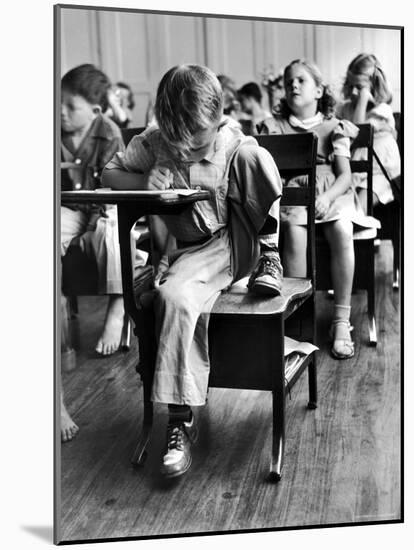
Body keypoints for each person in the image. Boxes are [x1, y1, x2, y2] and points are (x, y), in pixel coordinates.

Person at [103, 64, 283, 478]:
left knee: (256, 154)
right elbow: (108, 173)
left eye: (199, 144)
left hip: (233, 240)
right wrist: (144, 180)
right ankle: (180, 418)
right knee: (173, 297)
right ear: (164, 126)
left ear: (218, 120)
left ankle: (270, 254)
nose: (189, 153)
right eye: (179, 145)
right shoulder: (153, 141)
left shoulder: (231, 142)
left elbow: (260, 178)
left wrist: (263, 243)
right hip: (186, 251)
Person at [259, 59, 377, 361]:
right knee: (294, 234)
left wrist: (328, 198)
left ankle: (340, 320)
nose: (293, 85)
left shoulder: (333, 127)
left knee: (341, 229)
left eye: (301, 80)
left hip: (331, 192)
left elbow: (345, 176)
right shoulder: (274, 127)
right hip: (294, 195)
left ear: (319, 90)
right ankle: (299, 324)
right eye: (288, 82)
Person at [61, 63, 126, 356]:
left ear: (96, 112)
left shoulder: (109, 134)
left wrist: (93, 225)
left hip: (107, 205)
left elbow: (115, 188)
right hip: (70, 206)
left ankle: (118, 304)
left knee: (111, 232)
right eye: (58, 102)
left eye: (70, 106)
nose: (61, 111)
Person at [337, 53, 400, 210]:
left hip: (380, 173)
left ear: (374, 86)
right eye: (350, 85)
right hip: (355, 171)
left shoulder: (382, 110)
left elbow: (358, 134)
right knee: (343, 208)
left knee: (358, 209)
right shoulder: (346, 108)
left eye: (359, 87)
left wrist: (364, 99)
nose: (353, 92)